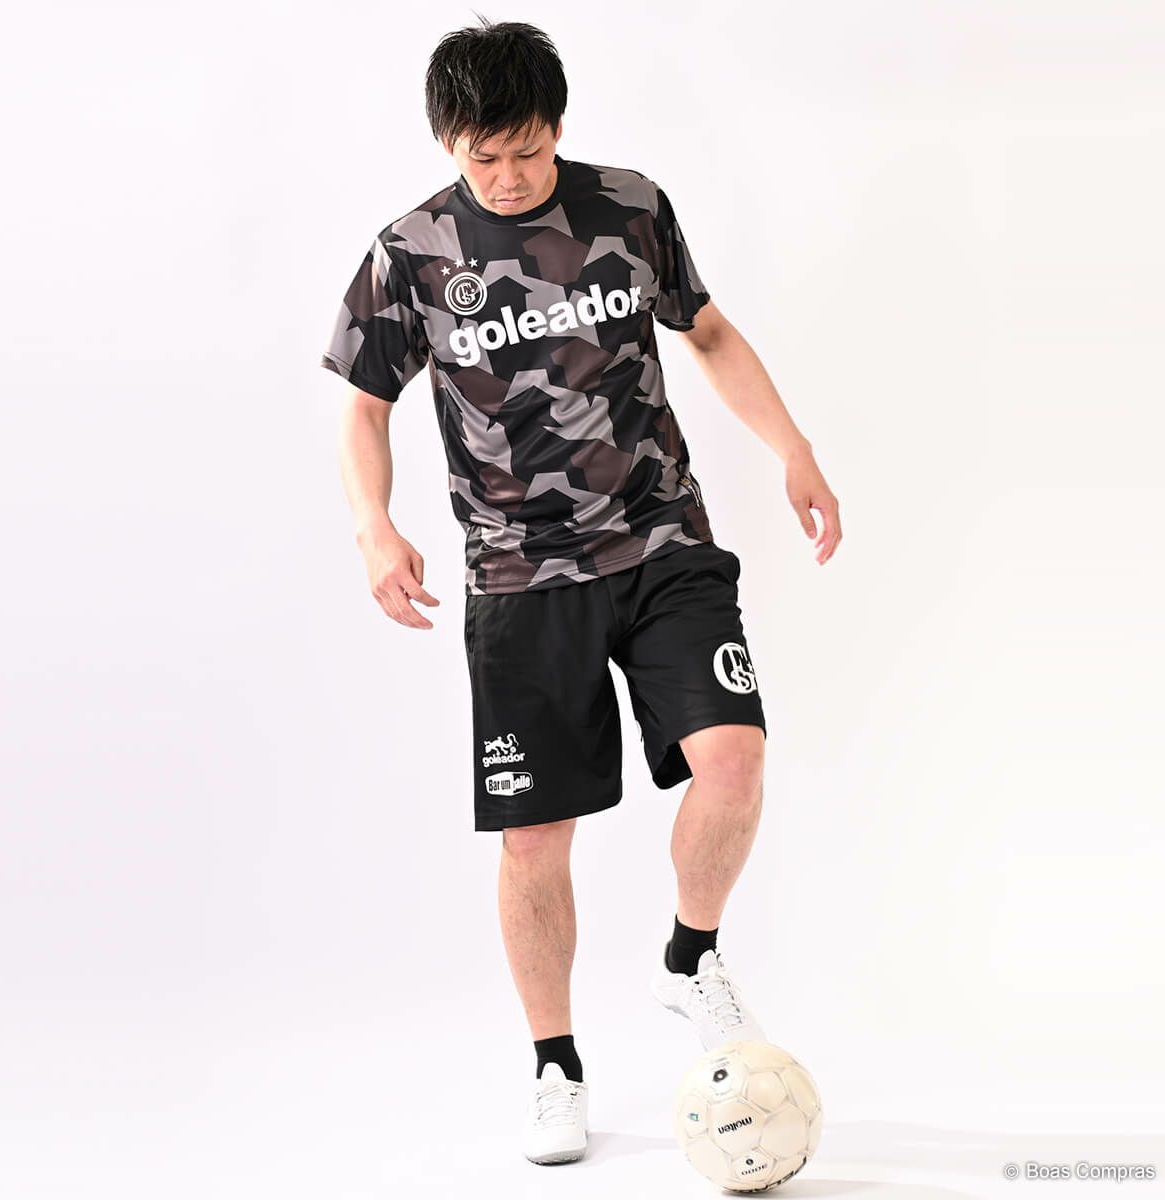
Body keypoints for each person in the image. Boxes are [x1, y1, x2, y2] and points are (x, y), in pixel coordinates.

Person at [319, 18, 842, 1167]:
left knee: (735, 759)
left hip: (662, 543)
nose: (508, 176)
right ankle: (555, 1066)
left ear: (557, 126)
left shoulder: (628, 207)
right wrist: (373, 527)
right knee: (533, 840)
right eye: (483, 157)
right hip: (520, 576)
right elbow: (364, 405)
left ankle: (690, 957)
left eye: (527, 150)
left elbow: (708, 332)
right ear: (448, 143)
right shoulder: (411, 252)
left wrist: (793, 448)